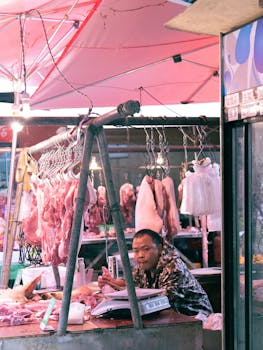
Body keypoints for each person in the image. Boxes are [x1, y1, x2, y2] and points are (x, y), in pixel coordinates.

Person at [98, 228, 213, 317]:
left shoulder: (173, 266)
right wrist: (112, 282)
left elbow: (161, 301)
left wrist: (120, 290)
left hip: (196, 319)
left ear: (159, 248)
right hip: (170, 318)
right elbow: (131, 283)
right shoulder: (144, 265)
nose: (140, 255)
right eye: (136, 251)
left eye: (146, 249)